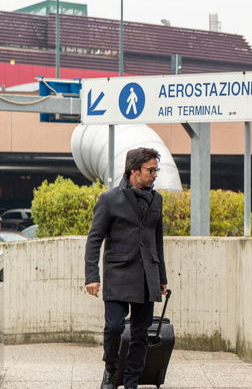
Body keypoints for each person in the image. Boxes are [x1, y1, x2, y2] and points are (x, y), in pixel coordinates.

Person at [84, 147, 167, 389]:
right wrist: (92, 276)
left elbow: (157, 241)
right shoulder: (109, 200)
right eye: (150, 170)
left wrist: (161, 277)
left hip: (147, 276)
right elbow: (94, 239)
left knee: (141, 334)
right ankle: (111, 369)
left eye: (156, 170)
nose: (154, 174)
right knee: (114, 327)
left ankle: (132, 381)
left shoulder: (157, 200)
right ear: (134, 171)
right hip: (119, 274)